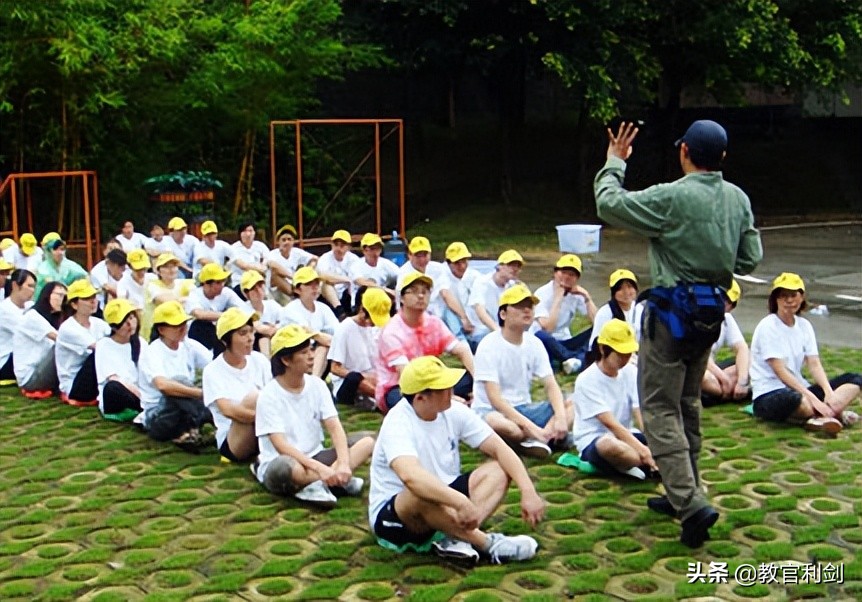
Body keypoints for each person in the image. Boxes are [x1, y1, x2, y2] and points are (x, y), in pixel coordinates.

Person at [595, 119, 762, 548]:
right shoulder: (738, 199)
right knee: (687, 403)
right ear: (722, 157)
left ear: (684, 151)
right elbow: (749, 260)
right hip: (709, 318)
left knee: (659, 408)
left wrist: (615, 161)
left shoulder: (671, 196)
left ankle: (689, 504)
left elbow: (609, 204)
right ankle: (683, 489)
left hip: (669, 319)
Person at [368, 355, 545, 564]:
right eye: (443, 388)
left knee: (499, 469)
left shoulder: (454, 410)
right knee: (418, 493)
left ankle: (457, 538)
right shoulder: (397, 423)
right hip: (398, 516)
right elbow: (411, 477)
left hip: (444, 495)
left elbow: (500, 449)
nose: (451, 391)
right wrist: (460, 502)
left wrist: (528, 490)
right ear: (420, 398)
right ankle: (488, 544)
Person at [253, 324, 375, 508]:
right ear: (286, 360)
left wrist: (343, 463)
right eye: (304, 352)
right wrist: (320, 468)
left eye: (311, 349)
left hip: (315, 455)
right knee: (287, 468)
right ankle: (330, 482)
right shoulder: (269, 395)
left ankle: (327, 480)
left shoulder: (317, 385)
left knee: (367, 442)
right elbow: (281, 445)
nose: (311, 356)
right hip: (285, 462)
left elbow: (334, 427)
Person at [750, 273, 861, 433]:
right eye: (784, 296)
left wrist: (829, 393)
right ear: (776, 299)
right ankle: (821, 415)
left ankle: (822, 414)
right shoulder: (767, 326)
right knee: (799, 402)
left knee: (854, 379)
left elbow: (814, 363)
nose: (789, 300)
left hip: (801, 388)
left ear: (801, 298)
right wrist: (814, 399)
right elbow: (780, 371)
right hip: (770, 393)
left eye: (793, 295)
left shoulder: (804, 326)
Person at [472, 283, 572, 459]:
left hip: (524, 408)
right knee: (504, 426)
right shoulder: (488, 345)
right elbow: (495, 399)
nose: (527, 310)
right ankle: (532, 439)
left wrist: (561, 418)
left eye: (530, 306)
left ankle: (544, 438)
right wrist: (532, 428)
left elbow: (551, 384)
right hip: (493, 411)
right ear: (503, 314)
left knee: (574, 403)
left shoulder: (534, 343)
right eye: (519, 306)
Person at [376, 272, 475, 413]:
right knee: (407, 400)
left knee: (470, 377)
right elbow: (406, 373)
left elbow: (462, 350)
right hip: (400, 385)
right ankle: (445, 402)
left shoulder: (434, 322)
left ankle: (444, 400)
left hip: (435, 379)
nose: (421, 296)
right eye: (414, 291)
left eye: (425, 291)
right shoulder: (392, 331)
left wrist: (478, 383)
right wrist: (449, 397)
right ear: (401, 298)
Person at [573, 319, 657, 479]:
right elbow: (610, 423)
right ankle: (645, 464)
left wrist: (651, 438)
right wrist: (643, 450)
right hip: (595, 440)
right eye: (620, 354)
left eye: (628, 354)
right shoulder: (586, 380)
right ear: (603, 349)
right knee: (609, 445)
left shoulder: (631, 372)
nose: (625, 359)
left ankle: (637, 465)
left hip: (626, 435)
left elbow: (639, 410)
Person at [137, 301, 213, 452]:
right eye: (177, 325)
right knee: (178, 382)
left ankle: (190, 429)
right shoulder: (152, 352)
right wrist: (201, 394)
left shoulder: (189, 345)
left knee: (192, 383)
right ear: (161, 329)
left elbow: (215, 365)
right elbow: (163, 386)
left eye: (184, 323)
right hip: (158, 415)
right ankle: (210, 418)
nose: (182, 328)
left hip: (186, 409)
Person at [203, 307, 271, 463]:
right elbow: (228, 410)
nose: (250, 338)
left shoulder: (260, 360)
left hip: (261, 429)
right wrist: (266, 419)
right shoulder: (212, 371)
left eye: (251, 332)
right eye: (243, 333)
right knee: (254, 397)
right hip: (233, 440)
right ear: (226, 340)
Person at [531, 254, 596, 374]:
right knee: (542, 336)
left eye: (571, 275)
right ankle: (577, 359)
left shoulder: (576, 294)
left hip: (565, 340)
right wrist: (558, 298)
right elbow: (548, 328)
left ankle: (573, 360)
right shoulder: (542, 293)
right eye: (563, 272)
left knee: (596, 332)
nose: (566, 277)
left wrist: (587, 297)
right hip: (545, 341)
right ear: (555, 273)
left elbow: (597, 323)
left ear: (576, 278)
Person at [328, 287, 391, 408]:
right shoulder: (345, 328)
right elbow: (335, 368)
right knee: (355, 378)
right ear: (362, 310)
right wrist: (364, 376)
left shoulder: (376, 329)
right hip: (348, 382)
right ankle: (383, 401)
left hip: (373, 376)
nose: (372, 323)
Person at [55, 279, 111, 406]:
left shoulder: (98, 323)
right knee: (100, 353)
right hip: (75, 386)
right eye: (86, 298)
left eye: (94, 297)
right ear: (74, 305)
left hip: (94, 379)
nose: (93, 301)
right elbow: (100, 348)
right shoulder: (68, 328)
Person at [278, 266, 339, 377]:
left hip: (315, 351)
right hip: (293, 355)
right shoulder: (291, 309)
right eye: (309, 284)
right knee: (322, 346)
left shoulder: (323, 308)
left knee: (324, 347)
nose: (314, 287)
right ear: (297, 289)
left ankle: (316, 380)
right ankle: (314, 380)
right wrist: (331, 341)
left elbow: (338, 333)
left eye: (317, 283)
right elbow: (310, 334)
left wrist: (333, 341)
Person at [701, 279, 751, 407]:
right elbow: (699, 355)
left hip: (714, 370)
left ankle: (722, 391)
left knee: (752, 360)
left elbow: (742, 348)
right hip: (696, 367)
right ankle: (724, 391)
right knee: (703, 377)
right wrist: (724, 378)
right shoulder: (699, 316)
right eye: (721, 298)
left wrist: (742, 381)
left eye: (729, 302)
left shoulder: (726, 319)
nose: (724, 304)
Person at [95, 298, 146, 421]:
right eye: (124, 322)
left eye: (132, 318)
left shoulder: (141, 342)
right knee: (113, 388)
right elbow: (113, 378)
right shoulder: (104, 345)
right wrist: (140, 396)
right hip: (120, 392)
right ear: (114, 327)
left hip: (139, 390)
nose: (130, 324)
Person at [14, 282, 66, 398]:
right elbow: (60, 339)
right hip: (31, 378)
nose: (62, 300)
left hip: (41, 368)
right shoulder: (32, 317)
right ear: (47, 295)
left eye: (64, 296)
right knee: (63, 347)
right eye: (59, 295)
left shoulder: (54, 317)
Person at [466, 249, 523, 348]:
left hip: (503, 331)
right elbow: (480, 311)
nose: (515, 269)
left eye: (518, 266)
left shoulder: (514, 286)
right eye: (511, 265)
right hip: (480, 331)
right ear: (499, 266)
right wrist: (498, 332)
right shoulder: (482, 283)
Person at [186, 263, 245, 356]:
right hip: (197, 334)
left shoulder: (226, 292)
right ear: (206, 284)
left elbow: (244, 310)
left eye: (223, 281)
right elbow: (199, 314)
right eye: (218, 282)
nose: (222, 285)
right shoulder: (195, 295)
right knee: (202, 324)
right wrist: (228, 315)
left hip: (218, 331)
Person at [142, 253, 195, 340]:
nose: (171, 270)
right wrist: (185, 300)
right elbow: (168, 302)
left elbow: (197, 299)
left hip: (179, 329)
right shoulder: (152, 285)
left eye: (174, 266)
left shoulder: (184, 283)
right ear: (158, 271)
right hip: (156, 331)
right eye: (166, 267)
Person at [588, 268, 644, 350]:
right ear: (613, 292)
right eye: (620, 288)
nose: (626, 292)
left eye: (629, 286)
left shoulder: (640, 309)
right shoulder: (605, 313)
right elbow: (595, 343)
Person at [0, 269, 37, 385]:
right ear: (15, 285)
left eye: (34, 287)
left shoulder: (31, 306)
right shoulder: (4, 309)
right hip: (6, 361)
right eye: (29, 286)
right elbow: (30, 332)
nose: (32, 290)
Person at [439, 241, 480, 341]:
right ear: (448, 263)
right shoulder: (442, 273)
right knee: (448, 311)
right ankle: (460, 341)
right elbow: (445, 295)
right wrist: (463, 317)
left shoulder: (474, 275)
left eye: (464, 261)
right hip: (446, 320)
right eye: (457, 263)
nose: (462, 266)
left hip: (470, 320)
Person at [316, 229, 360, 319]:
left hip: (347, 294)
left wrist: (349, 281)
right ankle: (340, 311)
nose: (338, 248)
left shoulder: (354, 259)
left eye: (342, 245)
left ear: (348, 247)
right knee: (326, 284)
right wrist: (346, 279)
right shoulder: (325, 258)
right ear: (332, 245)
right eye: (336, 245)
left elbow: (357, 278)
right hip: (327, 296)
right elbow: (323, 275)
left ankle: (353, 309)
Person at [267, 223, 317, 301]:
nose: (286, 242)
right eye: (283, 240)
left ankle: (299, 294)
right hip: (278, 291)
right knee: (275, 274)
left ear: (293, 241)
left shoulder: (297, 252)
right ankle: (297, 295)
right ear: (278, 242)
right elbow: (272, 264)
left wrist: (308, 272)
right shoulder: (273, 254)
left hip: (295, 285)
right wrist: (293, 277)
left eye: (289, 239)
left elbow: (315, 259)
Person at [350, 232, 400, 303]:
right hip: (361, 303)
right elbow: (362, 282)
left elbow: (401, 275)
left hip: (382, 302)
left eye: (378, 249)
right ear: (364, 250)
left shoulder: (386, 264)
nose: (375, 253)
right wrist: (386, 290)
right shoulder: (356, 265)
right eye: (372, 249)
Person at [240, 270, 280, 357]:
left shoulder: (272, 304)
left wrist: (274, 328)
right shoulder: (243, 310)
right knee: (263, 337)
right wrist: (274, 327)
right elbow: (261, 329)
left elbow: (286, 322)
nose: (258, 290)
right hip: (254, 347)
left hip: (277, 341)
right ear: (246, 293)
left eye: (260, 285)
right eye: (253, 288)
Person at [228, 221, 269, 295]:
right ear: (240, 234)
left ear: (254, 233)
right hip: (240, 282)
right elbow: (243, 266)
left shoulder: (260, 246)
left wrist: (264, 265)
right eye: (244, 231)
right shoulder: (233, 248)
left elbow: (268, 259)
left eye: (250, 231)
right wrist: (260, 269)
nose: (248, 234)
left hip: (258, 281)